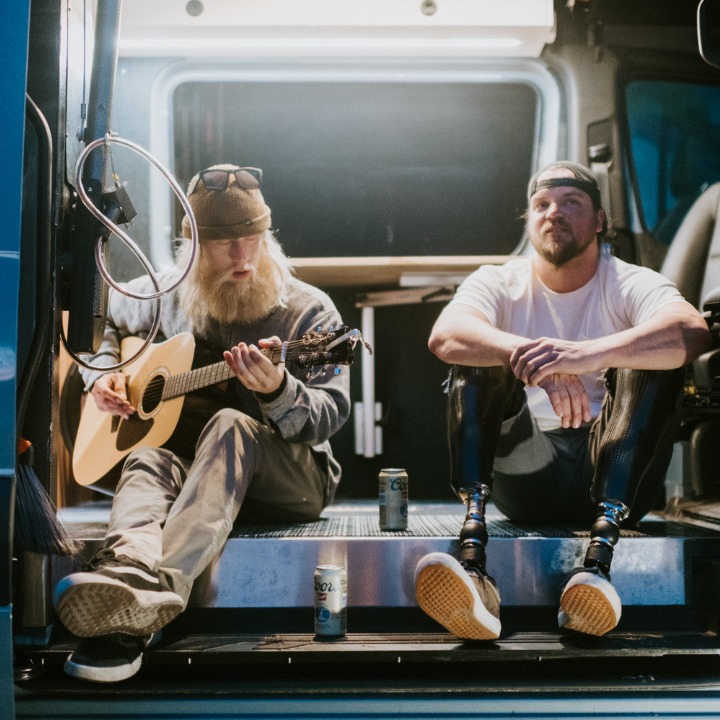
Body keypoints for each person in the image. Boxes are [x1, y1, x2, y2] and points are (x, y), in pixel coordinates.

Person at [53, 164, 352, 682]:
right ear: (191, 246)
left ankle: (159, 590)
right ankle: (128, 573)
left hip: (293, 478)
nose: (243, 257)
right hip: (199, 475)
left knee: (232, 423)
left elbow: (328, 416)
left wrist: (279, 391)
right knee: (146, 457)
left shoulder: (307, 313)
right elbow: (102, 328)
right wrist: (102, 373)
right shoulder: (165, 293)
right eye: (225, 244)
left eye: (253, 238)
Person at [414, 161, 711, 641]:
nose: (554, 213)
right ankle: (474, 571)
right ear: (530, 221)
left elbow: (691, 332)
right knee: (475, 360)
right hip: (531, 472)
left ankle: (596, 570)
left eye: (571, 203)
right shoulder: (500, 280)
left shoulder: (629, 280)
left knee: (655, 357)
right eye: (541, 205)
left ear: (599, 220)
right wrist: (530, 360)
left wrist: (585, 355)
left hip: (616, 471)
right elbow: (445, 336)